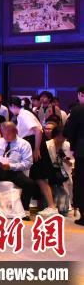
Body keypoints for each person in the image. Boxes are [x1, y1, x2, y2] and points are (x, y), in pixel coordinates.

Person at [0, 122, 35, 219]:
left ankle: (24, 210)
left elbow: (27, 163)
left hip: (13, 171)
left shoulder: (24, 144)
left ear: (16, 132)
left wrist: (11, 166)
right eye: (3, 133)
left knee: (29, 184)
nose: (5, 136)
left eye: (8, 134)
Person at [64, 85, 84, 225]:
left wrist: (72, 147)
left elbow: (70, 131)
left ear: (81, 94)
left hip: (82, 150)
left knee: (81, 182)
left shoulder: (77, 110)